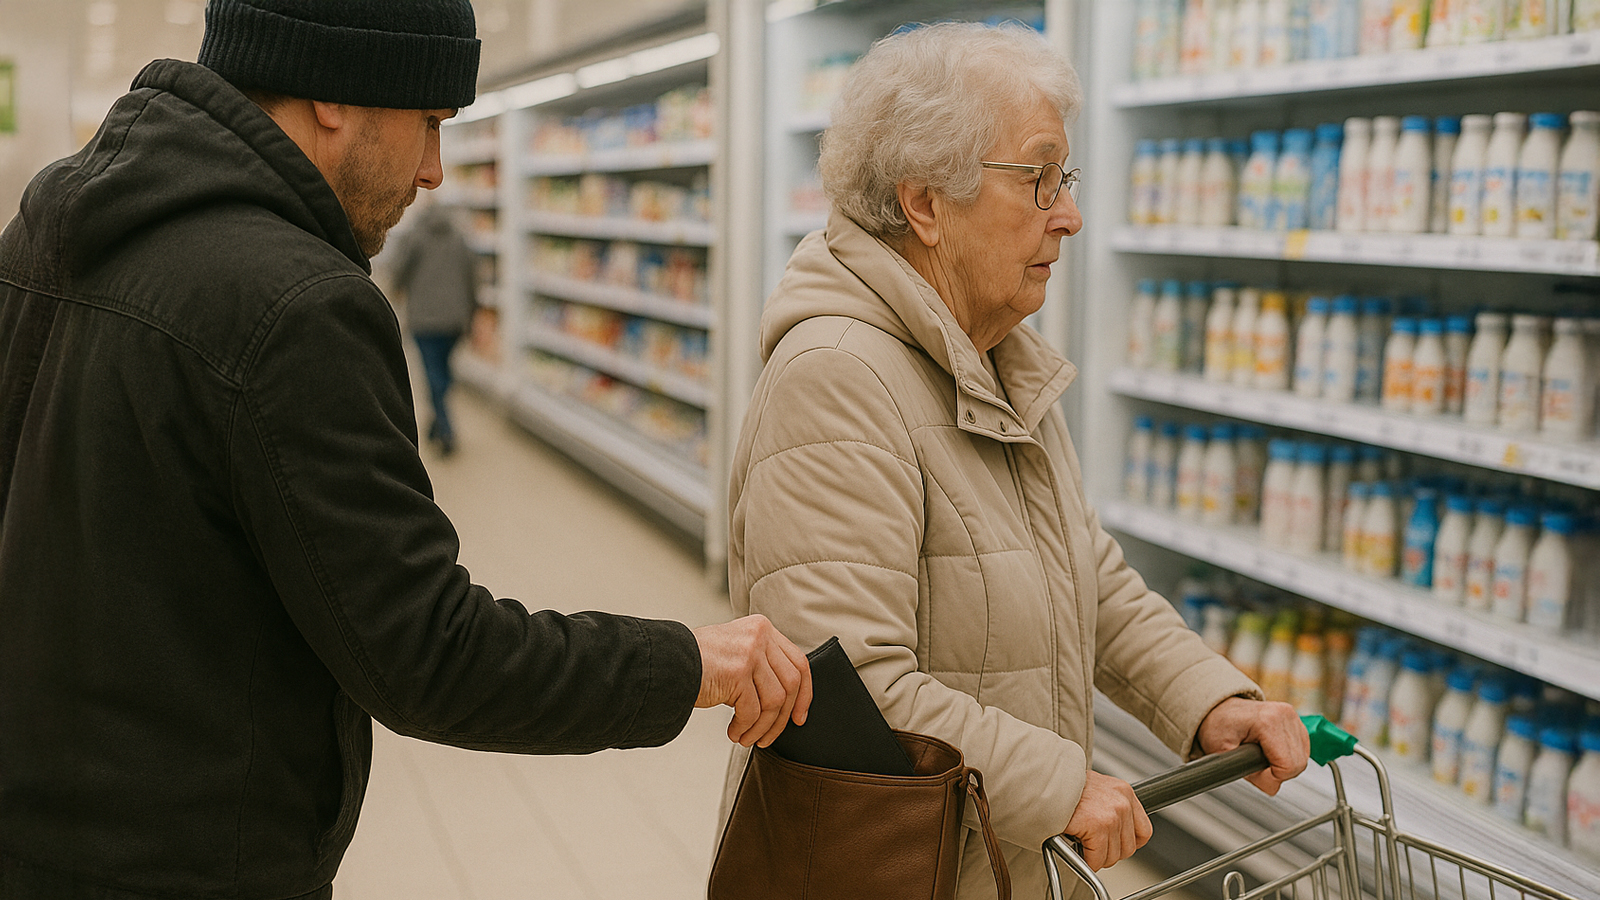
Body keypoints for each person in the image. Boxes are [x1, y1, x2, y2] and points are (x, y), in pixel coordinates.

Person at [0, 1, 810, 897]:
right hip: (188, 861)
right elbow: (430, 653)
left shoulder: (47, 227)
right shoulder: (296, 304)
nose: (434, 170)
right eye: (427, 120)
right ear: (334, 95)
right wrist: (690, 662)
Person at [718, 22, 1308, 900]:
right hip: (888, 871)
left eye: (1065, 179)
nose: (1068, 214)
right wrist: (1057, 786)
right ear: (925, 203)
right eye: (1038, 179)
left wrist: (1207, 699)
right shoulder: (835, 378)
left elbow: (1085, 574)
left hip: (989, 858)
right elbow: (845, 685)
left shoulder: (996, 357)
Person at [390, 201, 479, 455]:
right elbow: (473, 277)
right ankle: (437, 423)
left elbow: (399, 270)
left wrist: (396, 290)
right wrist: (472, 311)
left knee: (434, 375)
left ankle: (446, 431)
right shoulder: (460, 239)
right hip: (455, 319)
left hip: (424, 318)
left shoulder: (414, 236)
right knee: (443, 372)